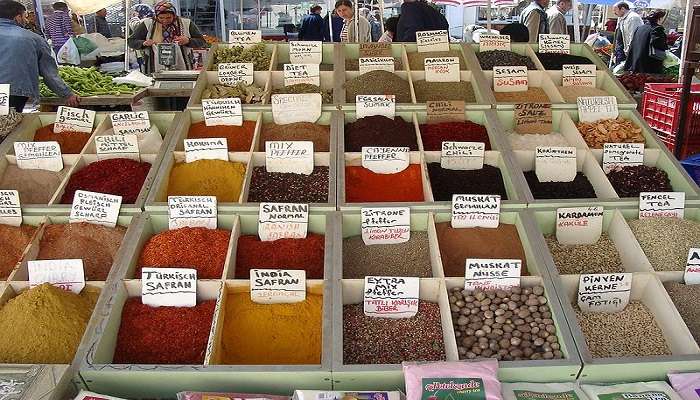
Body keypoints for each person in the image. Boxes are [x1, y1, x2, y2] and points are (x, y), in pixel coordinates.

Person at [0, 0, 79, 111]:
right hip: (14, 92)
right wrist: (67, 94)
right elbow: (48, 73)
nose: (26, 19)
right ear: (17, 17)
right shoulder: (33, 38)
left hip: (9, 92)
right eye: (24, 16)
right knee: (8, 123)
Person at [128, 0, 206, 74]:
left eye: (168, 18)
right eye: (161, 18)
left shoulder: (187, 23)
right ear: (156, 15)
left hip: (182, 66)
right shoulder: (147, 24)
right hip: (154, 66)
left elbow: (201, 41)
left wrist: (188, 40)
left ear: (174, 15)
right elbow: (131, 41)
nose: (165, 21)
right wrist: (143, 43)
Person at [612, 1, 642, 65]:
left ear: (622, 9)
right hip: (624, 50)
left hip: (632, 52)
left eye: (615, 10)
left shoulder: (633, 18)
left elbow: (633, 36)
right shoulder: (622, 18)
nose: (614, 13)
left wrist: (628, 51)